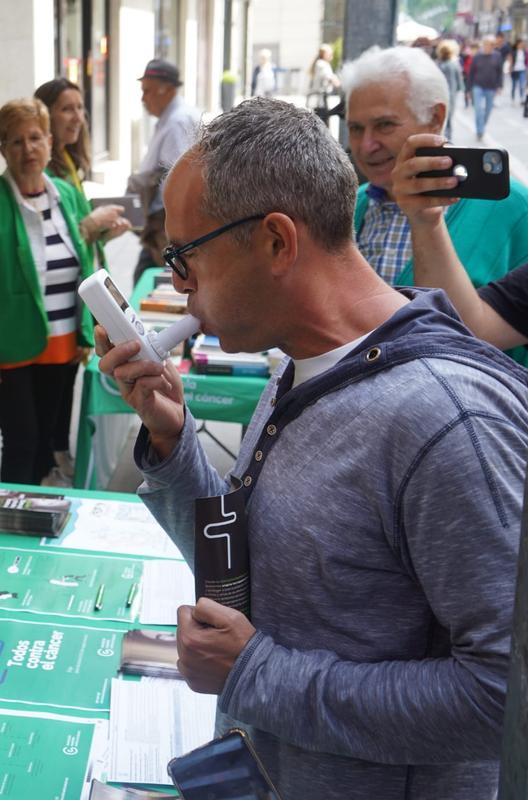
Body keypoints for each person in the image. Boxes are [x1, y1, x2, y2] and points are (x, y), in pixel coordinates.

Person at [97, 96, 528, 799]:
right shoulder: (302, 363)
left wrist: (254, 675)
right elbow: (249, 555)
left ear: (275, 241)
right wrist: (171, 438)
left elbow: (504, 699)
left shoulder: (450, 423)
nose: (177, 284)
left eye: (185, 256)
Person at [0, 98, 96, 486]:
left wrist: (88, 331)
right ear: (3, 151)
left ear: (50, 142)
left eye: (35, 138)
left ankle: (36, 517)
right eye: (15, 141)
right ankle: (10, 524)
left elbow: (86, 264)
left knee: (46, 444)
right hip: (10, 349)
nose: (27, 149)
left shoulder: (66, 194)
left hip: (62, 344)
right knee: (21, 441)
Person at [341, 45, 528, 330]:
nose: (367, 145)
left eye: (384, 125)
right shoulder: (351, 206)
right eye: (355, 128)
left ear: (435, 118)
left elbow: (475, 333)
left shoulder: (512, 208)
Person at [33, 78, 132, 484]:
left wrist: (102, 231)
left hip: (77, 298)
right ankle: (48, 461)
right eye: (67, 109)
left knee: (65, 386)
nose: (79, 117)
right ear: (46, 116)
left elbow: (73, 236)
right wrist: (88, 226)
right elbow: (43, 242)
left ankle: (56, 454)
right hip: (54, 308)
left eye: (81, 108)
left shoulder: (70, 163)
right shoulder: (42, 171)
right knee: (50, 393)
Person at [392, 131, 528, 348]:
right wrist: (426, 221)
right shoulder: (361, 203)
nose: (368, 144)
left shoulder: (518, 203)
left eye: (386, 125)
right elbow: (471, 328)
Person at [125, 59, 201, 283]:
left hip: (164, 224)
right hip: (162, 223)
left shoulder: (178, 121)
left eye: (147, 91)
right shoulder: (172, 119)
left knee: (150, 278)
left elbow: (175, 182)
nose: (143, 98)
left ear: (165, 88)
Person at [469, 36, 503, 141]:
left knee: (488, 110)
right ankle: (480, 130)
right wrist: (468, 89)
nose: (490, 47)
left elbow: (500, 72)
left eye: (492, 45)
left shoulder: (497, 56)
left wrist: (500, 86)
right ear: (484, 45)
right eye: (488, 44)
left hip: (491, 87)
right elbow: (471, 73)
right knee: (478, 110)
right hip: (477, 86)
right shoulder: (477, 56)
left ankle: (481, 125)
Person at [436, 40, 464, 140]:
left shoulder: (437, 65)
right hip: (451, 96)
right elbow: (460, 83)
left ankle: (443, 138)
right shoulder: (454, 65)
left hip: (438, 95)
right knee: (448, 119)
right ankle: (448, 139)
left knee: (441, 119)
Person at [512, 38, 526, 104]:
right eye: (520, 44)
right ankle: (513, 99)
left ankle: (521, 99)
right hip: (515, 70)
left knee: (521, 85)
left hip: (522, 70)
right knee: (514, 85)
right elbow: (511, 61)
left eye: (522, 44)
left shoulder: (524, 52)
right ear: (517, 45)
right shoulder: (514, 52)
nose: (521, 45)